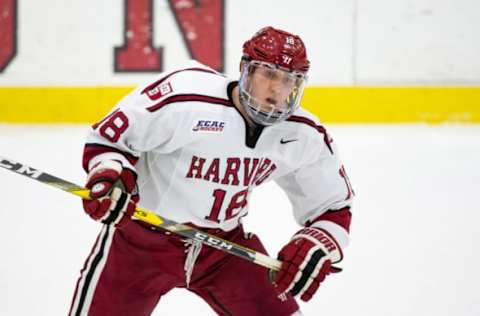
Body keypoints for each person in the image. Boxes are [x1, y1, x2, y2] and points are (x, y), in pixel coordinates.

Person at [69, 26, 354, 316]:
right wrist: (110, 172)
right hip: (141, 241)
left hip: (224, 249)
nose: (277, 90)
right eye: (269, 74)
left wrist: (318, 241)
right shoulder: (187, 98)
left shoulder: (301, 133)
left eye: (289, 80)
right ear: (245, 69)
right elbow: (109, 139)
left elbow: (333, 206)